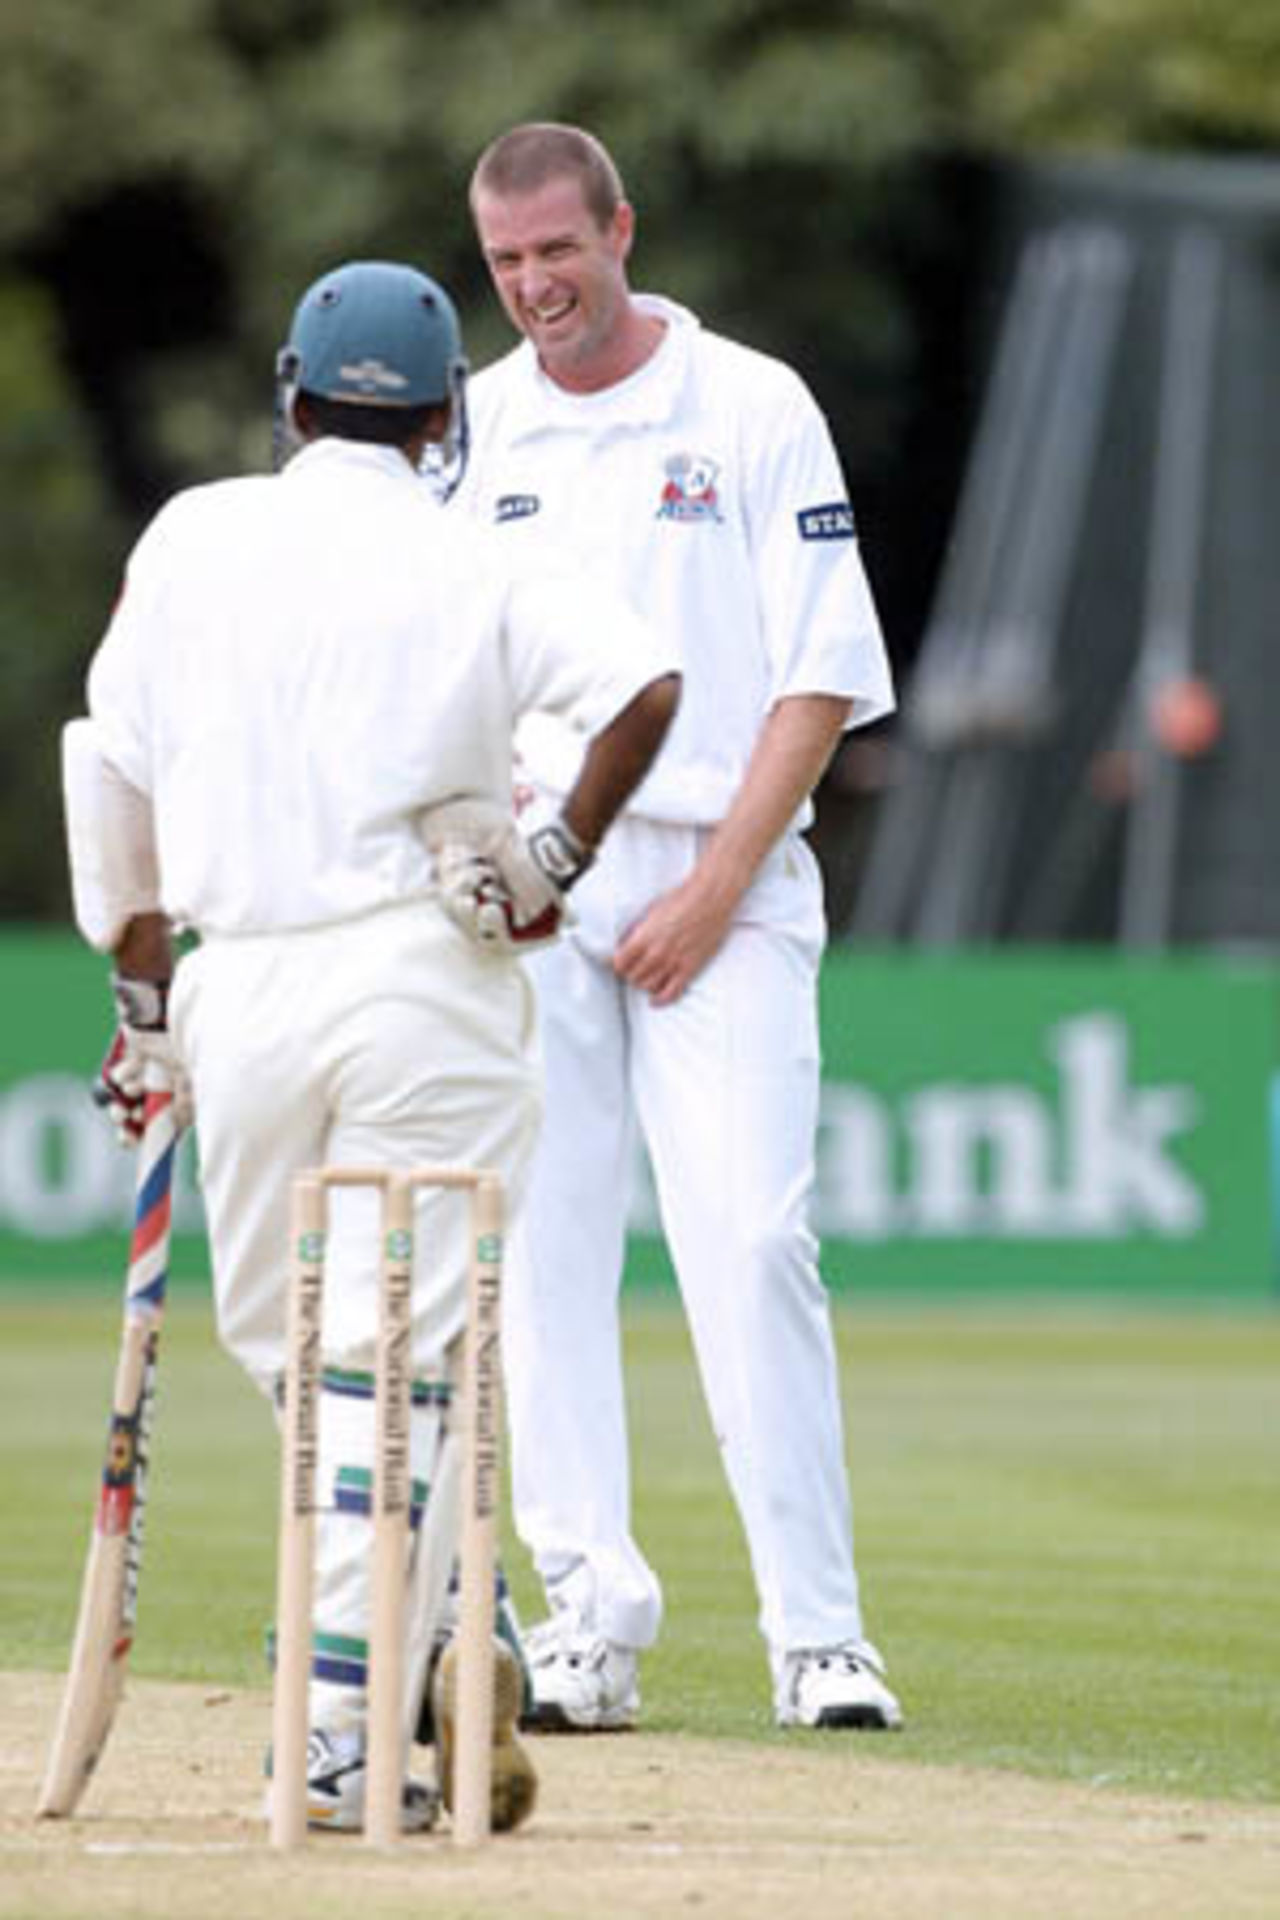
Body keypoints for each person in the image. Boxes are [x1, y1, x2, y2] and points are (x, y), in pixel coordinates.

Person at [63, 256, 681, 1832]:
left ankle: (353, 1699)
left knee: (319, 1368)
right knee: (370, 1386)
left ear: (290, 394)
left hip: (239, 988)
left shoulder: (192, 537)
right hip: (422, 987)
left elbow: (106, 772)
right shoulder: (469, 553)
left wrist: (140, 1003)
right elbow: (644, 686)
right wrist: (555, 861)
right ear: (447, 417)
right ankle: (399, 1663)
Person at [456, 123, 903, 1733]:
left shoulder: (752, 402)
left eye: (557, 253)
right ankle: (589, 1618)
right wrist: (510, 869)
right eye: (506, 263)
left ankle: (820, 1637)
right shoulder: (480, 428)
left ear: (619, 230)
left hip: (732, 872)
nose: (533, 288)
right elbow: (450, 684)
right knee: (544, 1260)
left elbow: (822, 673)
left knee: (753, 1240)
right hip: (547, 893)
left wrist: (715, 883)